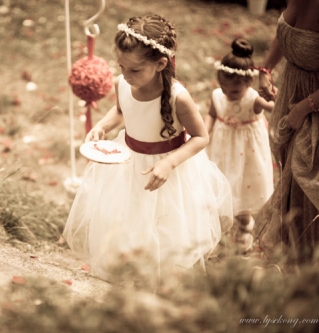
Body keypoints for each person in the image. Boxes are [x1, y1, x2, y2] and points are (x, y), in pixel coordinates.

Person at [62, 14, 233, 283]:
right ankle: (129, 275)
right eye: (121, 67)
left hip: (167, 172)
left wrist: (169, 163)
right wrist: (103, 127)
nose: (126, 76)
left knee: (165, 228)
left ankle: (159, 281)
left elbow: (201, 137)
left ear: (160, 63)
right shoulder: (122, 84)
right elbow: (121, 110)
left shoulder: (179, 98)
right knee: (126, 219)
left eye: (134, 70)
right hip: (128, 165)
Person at [255, 0, 319, 262]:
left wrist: (304, 108)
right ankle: (295, 258)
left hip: (312, 105)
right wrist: (265, 68)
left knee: (308, 180)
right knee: (291, 178)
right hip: (294, 90)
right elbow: (286, 34)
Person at [204, 38, 275, 253]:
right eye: (223, 88)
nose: (227, 94)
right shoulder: (218, 96)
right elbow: (211, 115)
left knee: (244, 186)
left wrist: (273, 95)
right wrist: (204, 133)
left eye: (233, 92)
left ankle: (245, 225)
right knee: (222, 182)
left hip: (248, 152)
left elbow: (275, 108)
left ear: (249, 83)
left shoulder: (253, 100)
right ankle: (217, 228)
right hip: (222, 148)